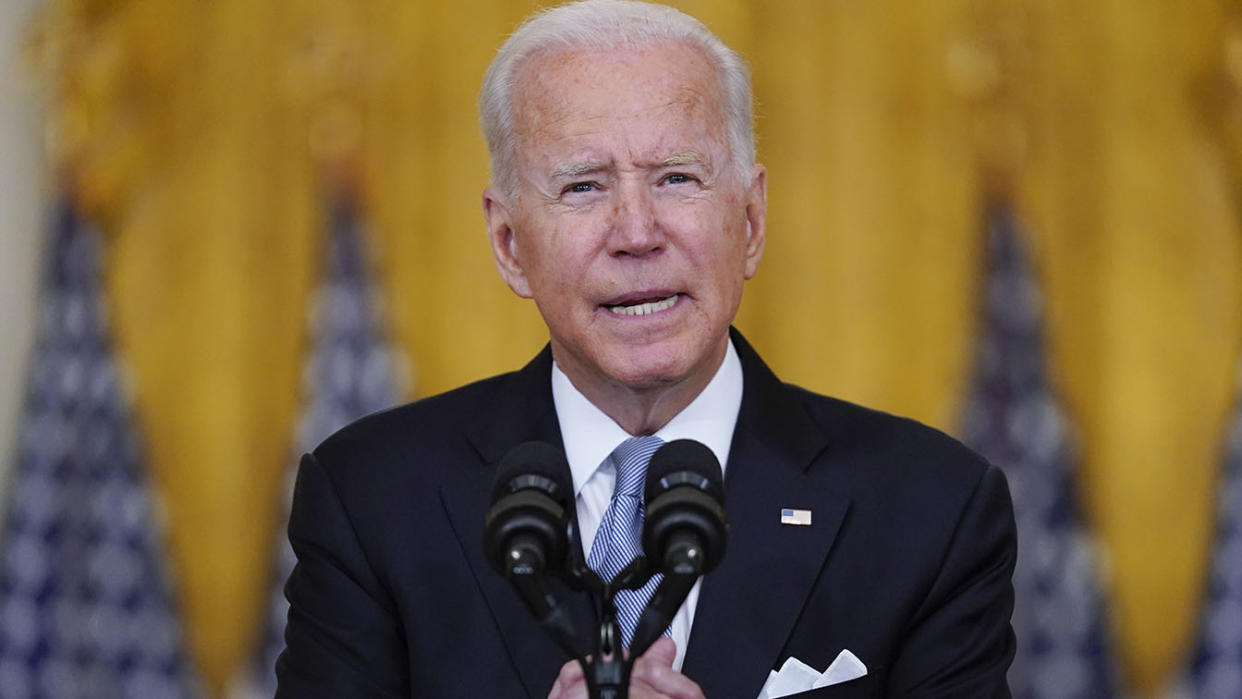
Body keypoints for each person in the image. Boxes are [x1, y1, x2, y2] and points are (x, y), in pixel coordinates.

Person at [276, 1, 1017, 697]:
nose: (636, 232)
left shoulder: (929, 511)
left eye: (676, 178)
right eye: (583, 187)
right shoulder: (372, 500)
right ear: (508, 244)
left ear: (751, 222)